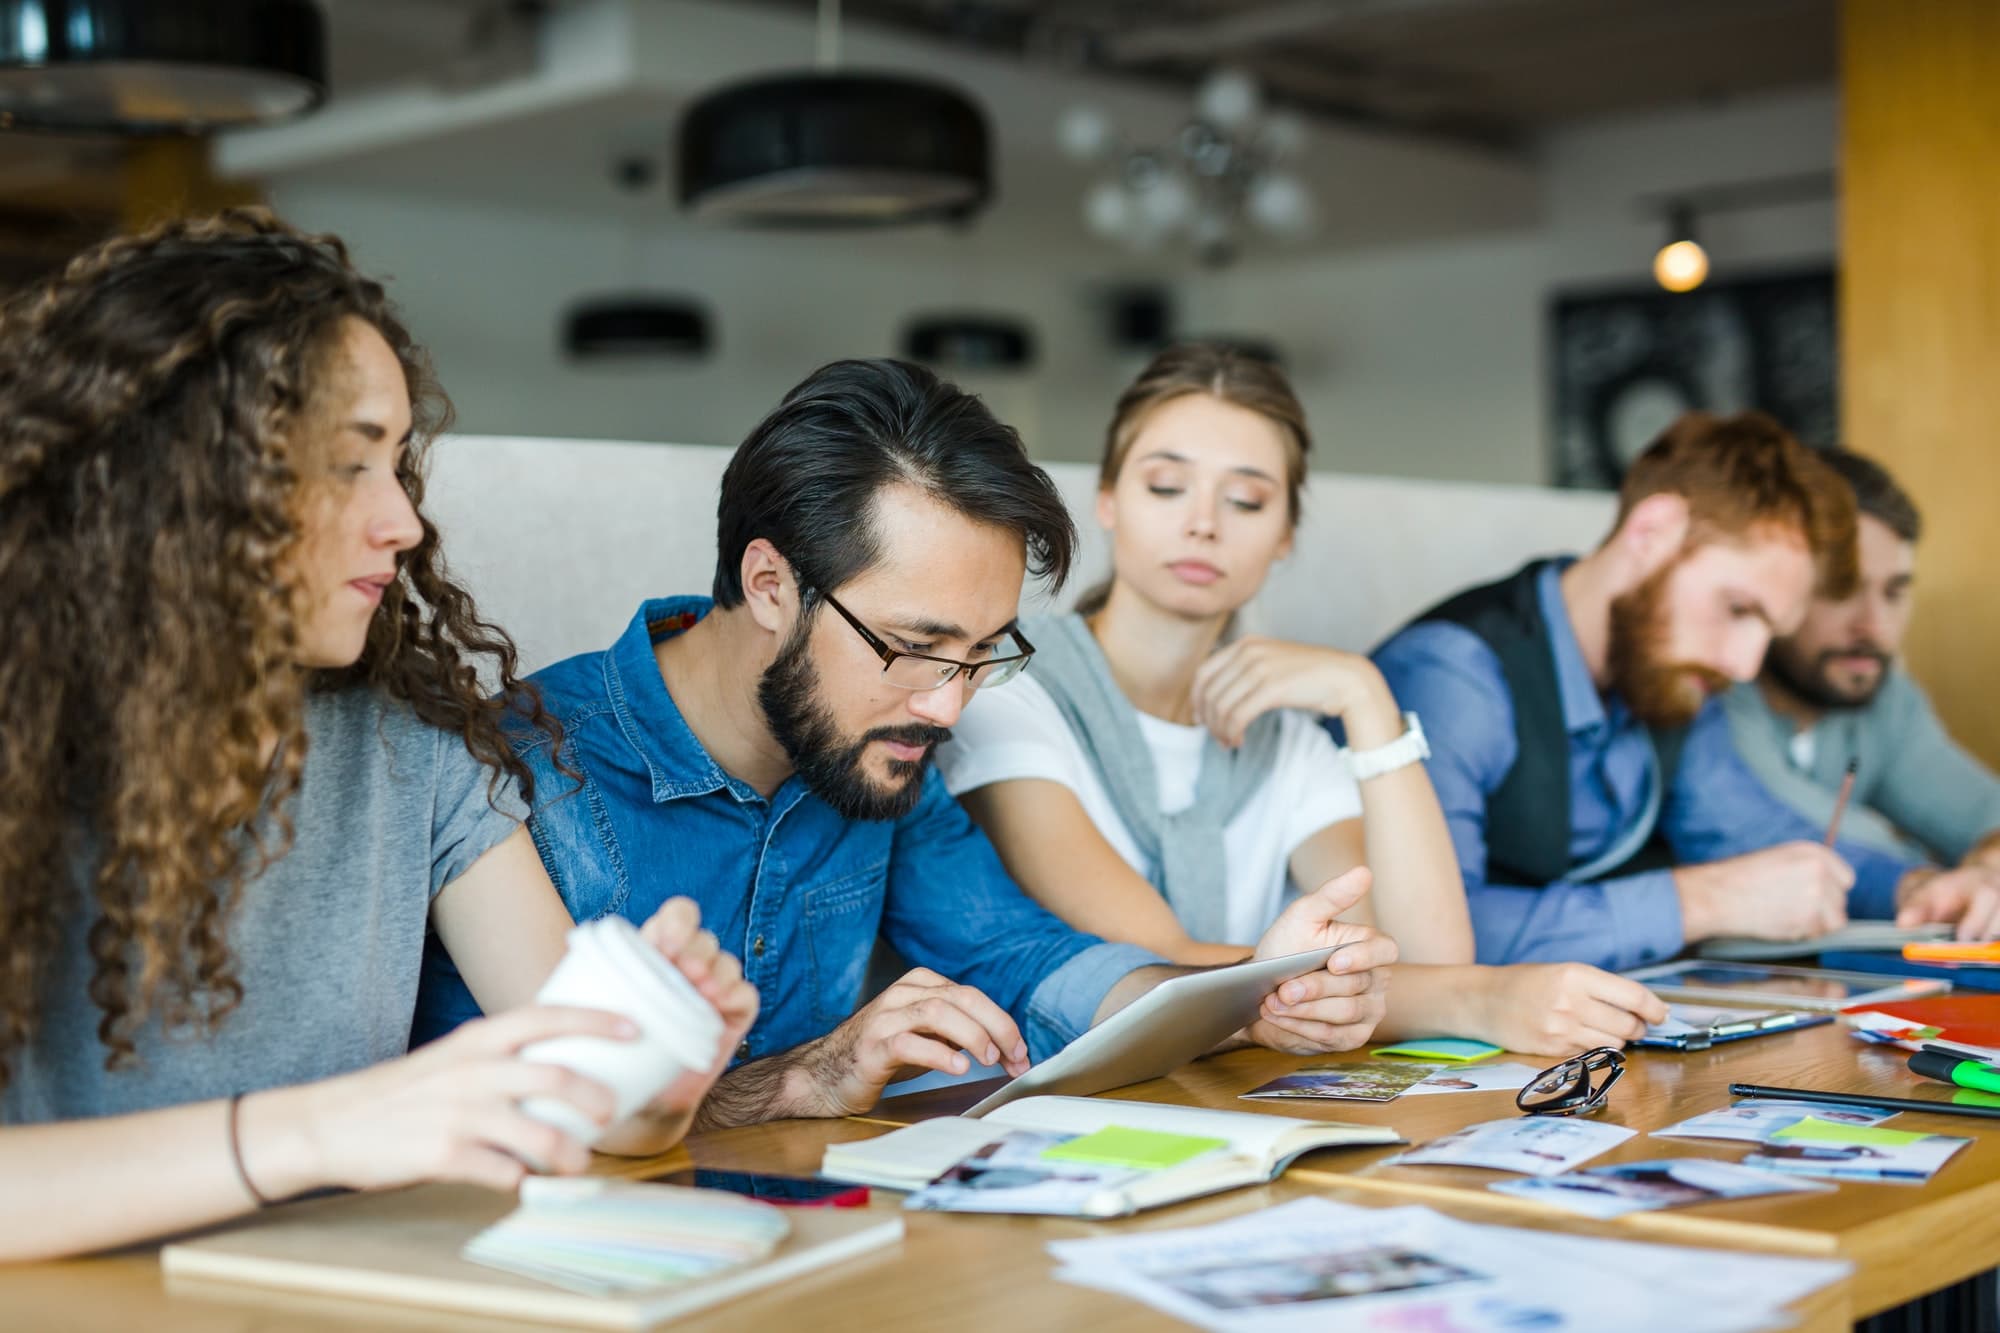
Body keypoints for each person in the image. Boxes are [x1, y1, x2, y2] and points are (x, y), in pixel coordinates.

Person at [0, 212, 755, 1262]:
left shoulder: (411, 748)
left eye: (399, 463)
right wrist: (319, 1132)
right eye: (348, 466)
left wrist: (656, 1068)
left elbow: (590, 1111)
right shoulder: (20, 737)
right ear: (179, 484)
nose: (402, 520)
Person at [416, 357, 1399, 1124]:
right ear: (769, 586)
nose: (946, 705)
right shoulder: (526, 775)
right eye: (913, 646)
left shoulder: (877, 757)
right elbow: (527, 1125)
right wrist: (805, 1078)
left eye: (980, 655)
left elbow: (1023, 956)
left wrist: (1245, 998)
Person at [936, 344, 1665, 1056]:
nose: (1204, 522)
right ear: (1107, 499)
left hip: (1235, 1107)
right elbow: (1163, 964)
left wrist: (1365, 697)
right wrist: (1483, 999)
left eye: (1247, 499)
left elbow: (1430, 953)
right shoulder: (1004, 681)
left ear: (1284, 534)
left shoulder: (1287, 740)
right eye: (1166, 486)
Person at [1373, 411, 1990, 972]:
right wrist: (1701, 901)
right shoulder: (1452, 676)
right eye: (1738, 608)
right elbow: (1419, 938)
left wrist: (1912, 889)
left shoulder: (1667, 673)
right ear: (1653, 530)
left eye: (1768, 629)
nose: (1745, 665)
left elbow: (1750, 830)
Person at [1723, 447, 2000, 938]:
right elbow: (1777, 825)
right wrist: (1923, 879)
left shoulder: (1885, 697)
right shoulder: (1717, 688)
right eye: (1841, 589)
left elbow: (1981, 812)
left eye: (1893, 593)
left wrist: (1989, 863)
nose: (1873, 627)